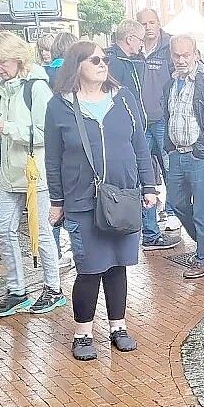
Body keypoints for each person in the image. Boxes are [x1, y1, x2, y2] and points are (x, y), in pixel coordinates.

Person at [45, 41, 159, 361]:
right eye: (94, 59)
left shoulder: (123, 99)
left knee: (118, 265)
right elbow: (53, 159)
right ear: (77, 65)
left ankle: (117, 327)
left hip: (122, 196)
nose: (102, 63)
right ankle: (83, 333)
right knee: (90, 267)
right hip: (82, 199)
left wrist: (148, 186)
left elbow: (140, 146)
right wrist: (57, 201)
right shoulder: (60, 106)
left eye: (104, 59)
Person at [0, 31, 67, 317]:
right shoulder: (1, 88)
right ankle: (16, 289)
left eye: (2, 61)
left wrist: (7, 128)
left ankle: (53, 288)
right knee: (2, 229)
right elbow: (4, 133)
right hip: (9, 173)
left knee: (41, 233)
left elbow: (45, 133)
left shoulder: (37, 88)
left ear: (18, 58)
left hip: (35, 174)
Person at [106, 19, 178, 251]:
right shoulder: (116, 63)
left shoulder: (126, 60)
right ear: (130, 39)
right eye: (138, 40)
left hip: (141, 125)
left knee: (148, 176)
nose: (141, 45)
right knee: (141, 178)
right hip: (132, 130)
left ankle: (149, 230)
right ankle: (146, 232)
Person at [163, 34, 204, 279]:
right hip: (176, 153)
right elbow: (168, 115)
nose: (181, 60)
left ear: (196, 55)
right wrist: (169, 147)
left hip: (198, 154)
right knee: (176, 202)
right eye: (176, 55)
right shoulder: (169, 84)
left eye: (186, 55)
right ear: (171, 56)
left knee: (203, 209)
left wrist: (200, 150)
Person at [136, 8, 181, 232]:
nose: (148, 27)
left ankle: (172, 212)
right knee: (144, 172)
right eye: (144, 24)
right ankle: (149, 225)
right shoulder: (134, 50)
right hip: (141, 123)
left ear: (159, 23)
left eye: (152, 22)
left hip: (163, 118)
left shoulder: (169, 47)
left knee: (169, 168)